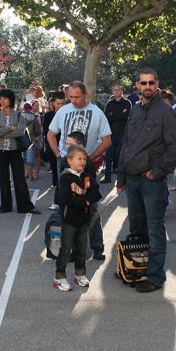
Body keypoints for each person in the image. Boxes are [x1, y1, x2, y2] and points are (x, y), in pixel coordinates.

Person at [116, 67, 176, 292]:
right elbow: (127, 144)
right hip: (132, 180)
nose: (147, 87)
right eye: (143, 83)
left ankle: (154, 276)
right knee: (137, 227)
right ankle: (137, 268)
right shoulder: (135, 110)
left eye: (151, 83)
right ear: (137, 85)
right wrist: (121, 176)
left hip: (151, 181)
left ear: (157, 84)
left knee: (154, 228)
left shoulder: (166, 112)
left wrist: (157, 171)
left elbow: (175, 148)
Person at [46, 81, 112, 250]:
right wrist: (58, 156)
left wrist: (89, 158)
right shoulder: (63, 111)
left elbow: (107, 141)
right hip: (65, 165)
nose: (73, 100)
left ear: (85, 94)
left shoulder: (97, 113)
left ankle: (97, 244)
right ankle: (68, 245)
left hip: (86, 167)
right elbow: (51, 134)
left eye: (77, 97)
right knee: (66, 203)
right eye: (71, 97)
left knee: (90, 204)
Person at [54, 144, 102, 291]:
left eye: (84, 159)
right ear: (70, 161)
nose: (82, 162)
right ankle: (59, 277)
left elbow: (96, 192)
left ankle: (80, 274)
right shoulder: (65, 178)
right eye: (79, 159)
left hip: (83, 219)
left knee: (82, 248)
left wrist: (87, 200)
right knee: (66, 249)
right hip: (69, 219)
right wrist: (85, 201)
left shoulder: (86, 176)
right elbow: (66, 198)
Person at [0, 89, 40, 214]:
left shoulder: (19, 115)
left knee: (19, 179)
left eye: (5, 98)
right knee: (3, 179)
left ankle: (25, 206)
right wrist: (9, 128)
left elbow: (20, 131)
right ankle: (5, 205)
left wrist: (4, 133)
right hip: (1, 151)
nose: (2, 101)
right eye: (1, 98)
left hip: (15, 151)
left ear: (11, 100)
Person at [103, 84, 132, 184]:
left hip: (122, 133)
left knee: (124, 156)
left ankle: (125, 178)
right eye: (115, 90)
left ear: (122, 91)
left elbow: (127, 116)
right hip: (110, 133)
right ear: (112, 91)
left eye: (118, 90)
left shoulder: (127, 103)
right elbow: (107, 117)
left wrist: (113, 114)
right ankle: (107, 177)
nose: (116, 91)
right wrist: (120, 113)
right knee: (108, 156)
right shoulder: (109, 104)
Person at [42, 91, 66, 210]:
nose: (60, 106)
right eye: (58, 103)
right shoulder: (48, 116)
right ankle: (57, 201)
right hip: (53, 149)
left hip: (65, 149)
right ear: (53, 103)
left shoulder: (67, 114)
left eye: (62, 103)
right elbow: (48, 133)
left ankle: (62, 200)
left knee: (64, 175)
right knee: (56, 176)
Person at [21, 101, 41, 181]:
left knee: (22, 159)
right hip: (30, 140)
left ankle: (23, 174)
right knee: (30, 159)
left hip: (20, 140)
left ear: (24, 108)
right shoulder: (33, 117)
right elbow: (38, 131)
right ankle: (30, 176)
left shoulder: (19, 116)